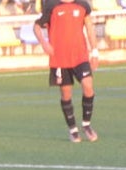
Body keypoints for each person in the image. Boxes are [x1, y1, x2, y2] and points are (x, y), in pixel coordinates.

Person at [33, 0, 98, 142]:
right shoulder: (51, 5)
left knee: (88, 87)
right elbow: (37, 26)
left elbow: (90, 27)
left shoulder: (82, 5)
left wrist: (95, 52)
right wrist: (44, 43)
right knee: (66, 94)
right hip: (60, 59)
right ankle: (73, 129)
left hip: (80, 56)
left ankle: (86, 124)